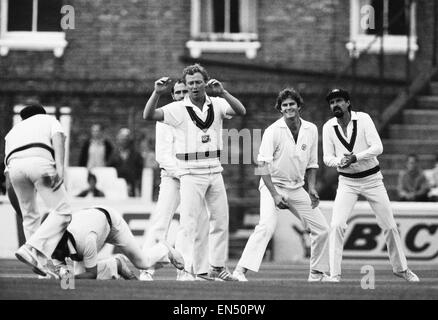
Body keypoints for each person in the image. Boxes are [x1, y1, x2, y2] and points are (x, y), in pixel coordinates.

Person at [143, 64, 246, 281]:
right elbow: (148, 115)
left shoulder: (216, 103)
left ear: (205, 82)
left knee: (219, 220)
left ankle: (217, 266)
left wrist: (224, 92)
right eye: (190, 83)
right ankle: (184, 271)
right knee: (187, 224)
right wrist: (156, 93)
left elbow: (241, 111)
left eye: (198, 82)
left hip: (214, 169)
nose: (194, 87)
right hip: (190, 171)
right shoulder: (178, 108)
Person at [232, 88, 330, 282]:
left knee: (322, 229)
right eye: (284, 105)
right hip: (272, 185)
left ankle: (316, 273)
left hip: (297, 187)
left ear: (299, 106)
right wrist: (275, 195)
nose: (288, 108)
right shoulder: (273, 131)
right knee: (267, 226)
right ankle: (239, 271)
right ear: (280, 109)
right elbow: (261, 166)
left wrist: (311, 188)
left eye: (292, 104)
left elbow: (312, 164)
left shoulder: (310, 129)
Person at [322, 88, 419, 282]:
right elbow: (327, 157)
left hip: (372, 180)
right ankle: (334, 274)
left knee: (390, 226)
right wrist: (339, 162)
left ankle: (401, 269)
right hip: (347, 182)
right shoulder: (328, 127)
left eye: (339, 101)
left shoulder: (363, 119)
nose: (336, 105)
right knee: (336, 225)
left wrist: (355, 157)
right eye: (332, 103)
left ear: (348, 103)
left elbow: (378, 147)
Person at [140, 80, 211, 281]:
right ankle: (146, 269)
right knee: (160, 222)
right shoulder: (165, 115)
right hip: (173, 178)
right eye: (177, 92)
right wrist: (184, 173)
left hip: (193, 176)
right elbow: (163, 156)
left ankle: (186, 270)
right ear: (173, 95)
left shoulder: (196, 114)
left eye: (184, 91)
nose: (181, 95)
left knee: (193, 224)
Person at [4, 104, 72, 277]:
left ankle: (41, 268)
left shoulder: (13, 131)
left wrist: (18, 207)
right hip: (40, 162)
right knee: (63, 212)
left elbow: (8, 177)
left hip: (15, 170)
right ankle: (31, 248)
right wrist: (60, 168)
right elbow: (58, 138)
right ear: (42, 113)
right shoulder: (49, 120)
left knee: (29, 217)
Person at [49, 206, 184, 280]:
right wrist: (63, 277)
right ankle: (115, 265)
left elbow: (91, 274)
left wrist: (69, 278)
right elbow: (66, 282)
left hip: (112, 223)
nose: (55, 255)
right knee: (78, 277)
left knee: (143, 263)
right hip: (92, 222)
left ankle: (164, 249)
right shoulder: (56, 245)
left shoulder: (86, 239)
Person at [108, 128, 144, 197]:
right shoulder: (114, 154)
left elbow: (139, 170)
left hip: (132, 185)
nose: (124, 141)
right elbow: (109, 169)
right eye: (122, 139)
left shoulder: (136, 155)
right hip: (117, 185)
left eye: (126, 139)